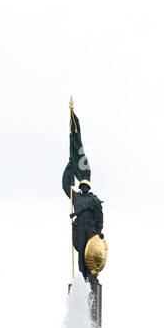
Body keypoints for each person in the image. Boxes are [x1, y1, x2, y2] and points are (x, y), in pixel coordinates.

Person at [62, 105, 105, 286]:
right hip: (80, 229)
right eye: (83, 186)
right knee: (81, 255)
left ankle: (91, 277)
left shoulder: (94, 200)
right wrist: (70, 166)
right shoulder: (77, 198)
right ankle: (81, 278)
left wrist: (100, 232)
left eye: (86, 186)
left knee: (89, 258)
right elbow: (66, 186)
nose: (85, 188)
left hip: (91, 230)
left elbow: (99, 216)